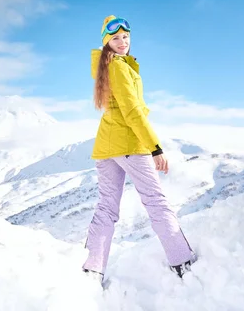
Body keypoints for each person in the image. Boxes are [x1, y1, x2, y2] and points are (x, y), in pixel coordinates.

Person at [82, 15, 198, 282]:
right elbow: (132, 111)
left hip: (106, 146)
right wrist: (154, 147)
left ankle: (92, 270)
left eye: (126, 37)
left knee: (106, 208)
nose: (122, 42)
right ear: (106, 42)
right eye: (115, 38)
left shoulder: (105, 66)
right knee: (156, 201)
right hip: (129, 143)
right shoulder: (119, 67)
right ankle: (181, 261)